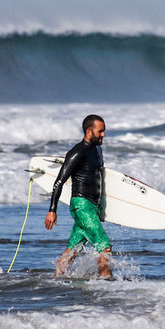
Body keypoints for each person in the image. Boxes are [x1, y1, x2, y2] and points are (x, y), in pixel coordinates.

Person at [44, 114, 112, 278]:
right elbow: (59, 181)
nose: (103, 134)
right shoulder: (77, 153)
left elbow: (99, 181)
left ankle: (56, 281)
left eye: (104, 131)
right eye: (100, 131)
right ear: (89, 131)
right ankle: (107, 284)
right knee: (104, 247)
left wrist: (101, 209)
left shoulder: (97, 150)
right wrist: (52, 210)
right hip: (81, 206)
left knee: (72, 251)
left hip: (91, 207)